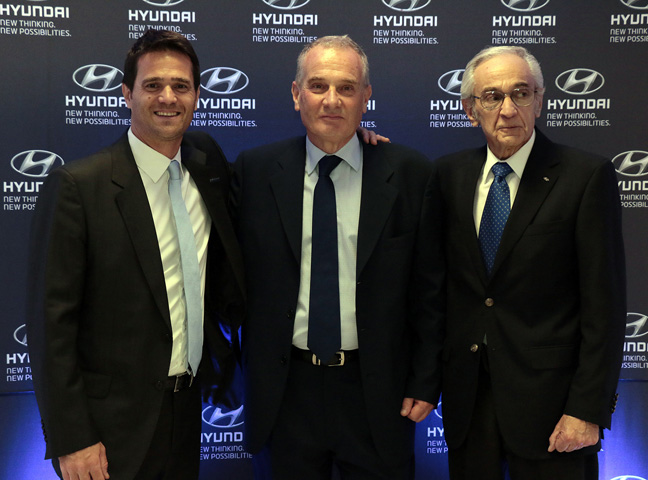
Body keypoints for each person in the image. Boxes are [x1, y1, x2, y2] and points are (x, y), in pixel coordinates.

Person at [26, 29, 245, 480]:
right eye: (152, 85)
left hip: (186, 412)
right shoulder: (79, 186)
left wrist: (349, 139)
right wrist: (72, 438)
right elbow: (51, 326)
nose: (168, 97)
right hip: (107, 431)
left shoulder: (207, 162)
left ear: (197, 96)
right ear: (127, 94)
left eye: (181, 86)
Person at [232, 35, 444, 479]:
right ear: (296, 94)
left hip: (378, 393)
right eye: (318, 86)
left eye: (347, 88)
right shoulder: (254, 171)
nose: (332, 100)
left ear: (366, 97)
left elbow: (430, 291)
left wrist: (426, 380)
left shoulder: (410, 173)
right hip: (284, 392)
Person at [430, 45, 626, 479]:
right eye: (492, 96)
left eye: (520, 93)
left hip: (555, 411)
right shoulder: (446, 176)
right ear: (470, 110)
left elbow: (605, 308)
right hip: (469, 405)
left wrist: (586, 409)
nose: (507, 109)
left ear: (539, 101)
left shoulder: (585, 177)